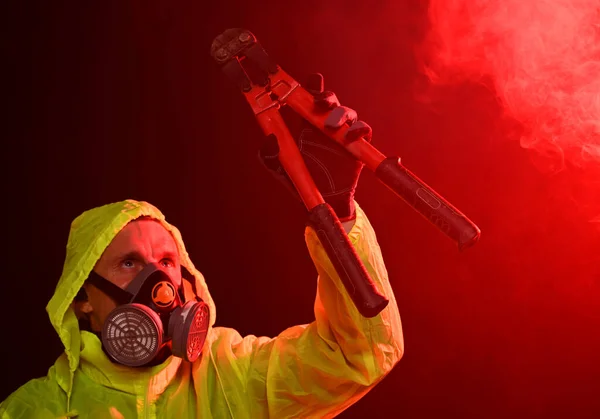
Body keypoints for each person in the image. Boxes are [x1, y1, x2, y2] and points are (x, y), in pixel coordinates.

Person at [0, 74, 403, 418]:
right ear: (81, 296)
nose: (158, 283)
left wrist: (336, 212)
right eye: (128, 263)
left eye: (167, 261)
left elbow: (357, 359)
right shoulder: (34, 410)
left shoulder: (230, 376)